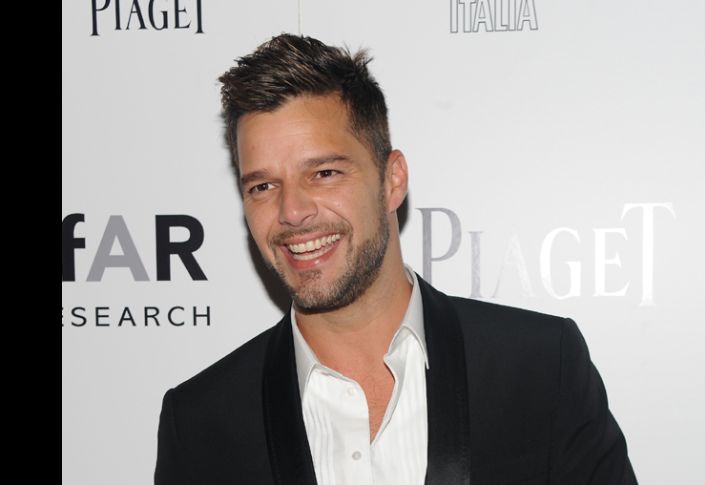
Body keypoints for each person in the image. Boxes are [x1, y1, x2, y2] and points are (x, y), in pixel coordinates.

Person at [154, 33, 638, 485]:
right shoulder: (200, 422)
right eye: (263, 186)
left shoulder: (540, 368)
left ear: (392, 180)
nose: (292, 211)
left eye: (324, 173)